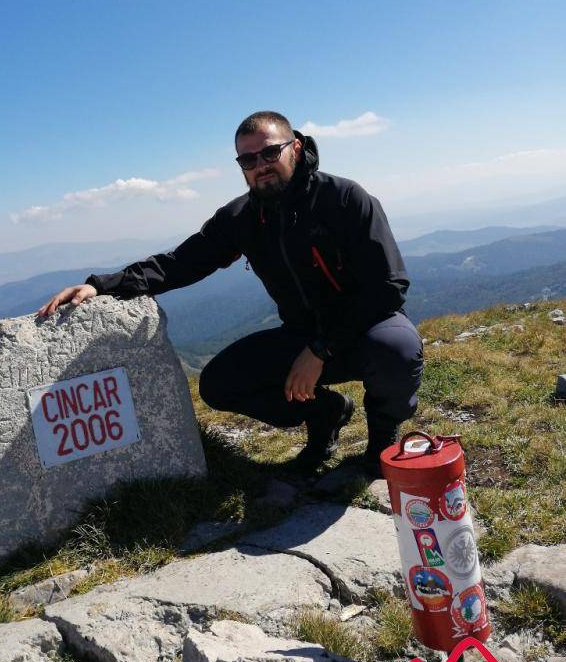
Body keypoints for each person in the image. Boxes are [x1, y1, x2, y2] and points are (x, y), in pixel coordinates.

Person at [38, 111, 423, 478]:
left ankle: (381, 443)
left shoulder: (343, 199)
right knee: (220, 384)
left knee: (397, 348)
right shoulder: (242, 218)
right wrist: (103, 284)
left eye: (270, 152)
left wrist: (321, 350)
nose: (260, 165)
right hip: (301, 335)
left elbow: (388, 287)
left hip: (364, 329)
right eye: (248, 159)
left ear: (296, 147)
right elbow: (181, 262)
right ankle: (326, 413)